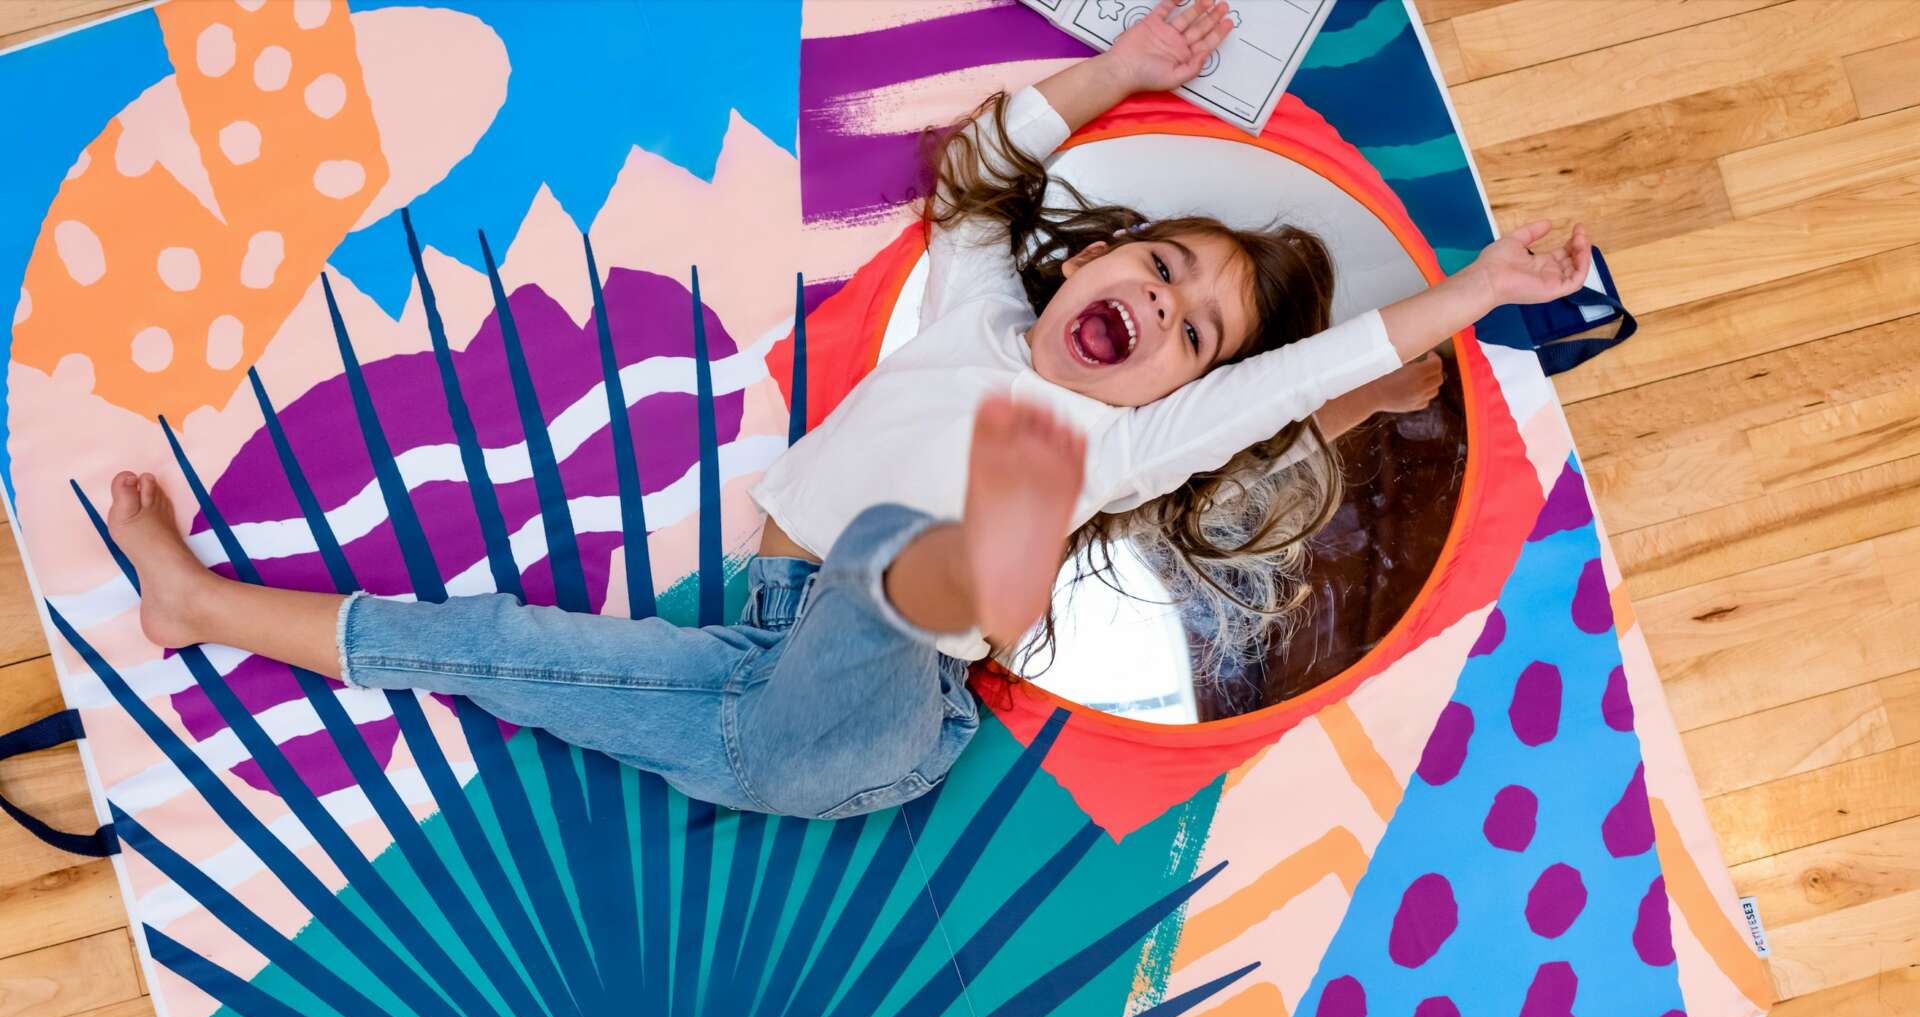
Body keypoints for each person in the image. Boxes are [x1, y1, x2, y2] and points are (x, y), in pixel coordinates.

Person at [105, 0, 1589, 820]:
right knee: (497, 647)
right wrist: (1123, 68)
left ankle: (969, 565)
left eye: (1193, 334)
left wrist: (1476, 289)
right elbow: (980, 171)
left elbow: (1292, 378)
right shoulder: (974, 314)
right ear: (1096, 259)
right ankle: (200, 605)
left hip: (871, 713)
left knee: (891, 558)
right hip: (758, 666)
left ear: (1183, 393)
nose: (1163, 304)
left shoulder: (1126, 444)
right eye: (1159, 265)